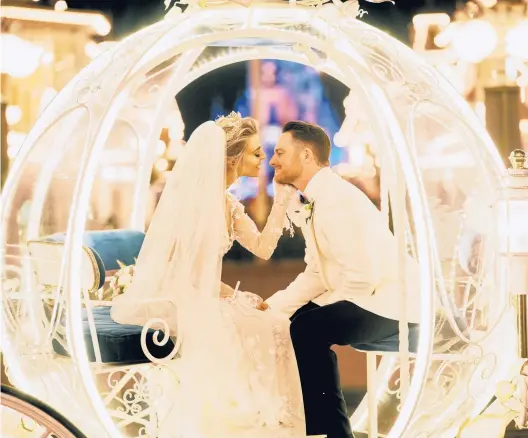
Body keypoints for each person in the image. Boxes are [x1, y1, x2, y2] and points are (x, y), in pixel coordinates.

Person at [110, 112, 305, 438]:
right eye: (256, 152)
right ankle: (240, 423)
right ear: (232, 158)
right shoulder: (195, 205)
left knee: (275, 322)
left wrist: (281, 202)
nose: (263, 160)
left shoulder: (229, 205)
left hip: (210, 293)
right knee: (254, 324)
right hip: (185, 296)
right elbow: (186, 273)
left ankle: (271, 420)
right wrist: (235, 294)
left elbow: (264, 248)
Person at [266, 121, 421, 438]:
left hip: (392, 302)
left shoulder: (336, 199)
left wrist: (311, 311)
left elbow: (361, 281)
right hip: (368, 295)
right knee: (293, 321)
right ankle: (309, 427)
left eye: (280, 152)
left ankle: (332, 433)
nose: (272, 161)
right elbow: (315, 274)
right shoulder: (317, 198)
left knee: (309, 327)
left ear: (306, 155)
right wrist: (272, 308)